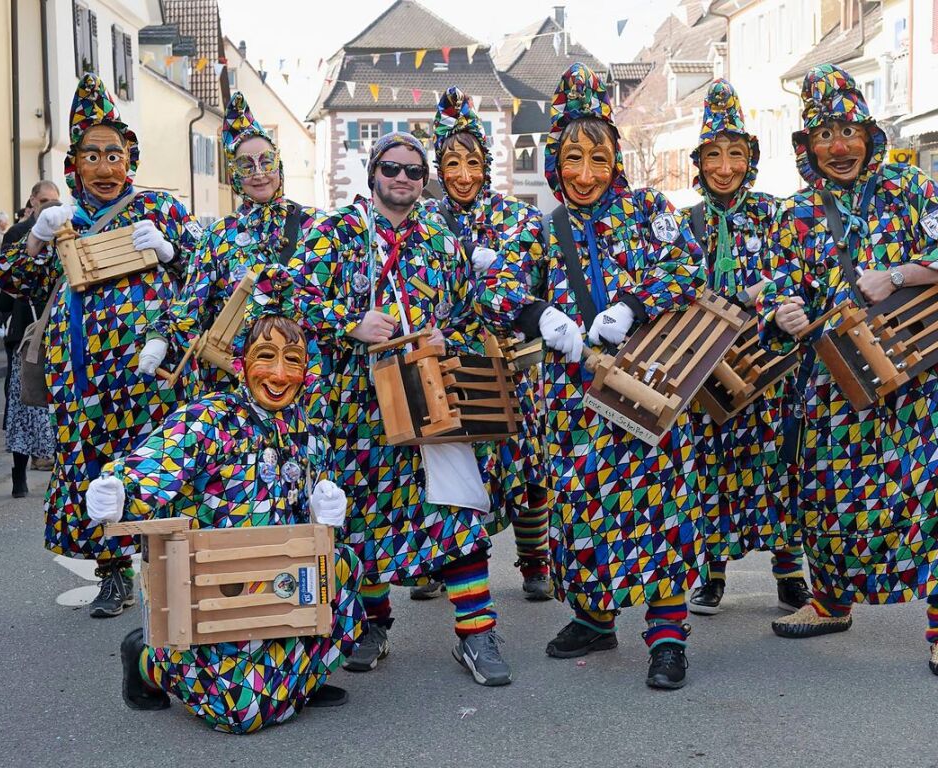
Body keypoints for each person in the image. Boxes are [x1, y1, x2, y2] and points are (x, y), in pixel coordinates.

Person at [478, 63, 706, 689]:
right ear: (555, 161)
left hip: (651, 384)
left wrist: (633, 305)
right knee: (583, 508)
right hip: (573, 398)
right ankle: (595, 616)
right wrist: (539, 313)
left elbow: (687, 267)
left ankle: (666, 638)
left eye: (597, 159)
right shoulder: (537, 228)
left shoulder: (650, 211)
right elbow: (492, 288)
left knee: (661, 511)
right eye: (572, 159)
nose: (584, 174)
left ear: (614, 160)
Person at [84, 266, 366, 733]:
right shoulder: (212, 417)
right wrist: (118, 491)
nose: (279, 374)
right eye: (266, 356)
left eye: (292, 360)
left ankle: (298, 679)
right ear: (239, 362)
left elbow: (321, 494)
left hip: (281, 575)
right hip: (216, 584)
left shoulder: (310, 427)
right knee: (243, 716)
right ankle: (147, 660)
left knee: (344, 566)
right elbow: (157, 461)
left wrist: (326, 508)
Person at [293, 131, 512, 686]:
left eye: (414, 172)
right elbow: (288, 295)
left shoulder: (441, 236)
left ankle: (476, 633)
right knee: (363, 517)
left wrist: (447, 338)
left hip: (431, 398)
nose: (402, 179)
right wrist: (350, 322)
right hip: (355, 404)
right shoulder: (335, 231)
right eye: (392, 168)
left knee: (456, 510)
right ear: (373, 173)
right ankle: (373, 625)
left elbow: (469, 312)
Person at [0, 73, 202, 619]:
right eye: (93, 155)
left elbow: (209, 271)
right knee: (92, 466)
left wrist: (171, 252)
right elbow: (13, 285)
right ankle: (113, 574)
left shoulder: (162, 210)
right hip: (82, 374)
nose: (106, 167)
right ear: (75, 164)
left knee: (159, 462)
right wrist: (37, 237)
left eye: (115, 154)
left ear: (129, 159)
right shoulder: (60, 221)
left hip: (150, 369)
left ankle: (167, 565)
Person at [759, 64, 938, 676]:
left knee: (928, 494)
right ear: (806, 146)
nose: (840, 147)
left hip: (916, 375)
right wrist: (779, 311)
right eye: (824, 135)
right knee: (826, 496)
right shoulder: (791, 216)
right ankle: (831, 601)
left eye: (850, 132)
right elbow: (781, 292)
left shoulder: (911, 189)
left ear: (869, 134)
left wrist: (901, 274)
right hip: (831, 383)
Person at [416, 87, 551, 601]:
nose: (464, 174)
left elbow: (538, 278)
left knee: (525, 465)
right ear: (439, 167)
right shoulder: (425, 222)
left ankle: (534, 561)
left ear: (487, 163)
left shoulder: (518, 217)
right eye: (453, 163)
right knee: (448, 467)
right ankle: (439, 560)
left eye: (473, 161)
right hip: (447, 363)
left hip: (511, 363)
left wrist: (506, 272)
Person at [681, 79, 811, 616]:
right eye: (715, 155)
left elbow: (793, 274)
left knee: (775, 466)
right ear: (701, 161)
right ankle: (711, 576)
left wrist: (759, 297)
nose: (725, 167)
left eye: (736, 154)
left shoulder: (776, 213)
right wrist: (731, 298)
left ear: (751, 158)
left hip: (768, 360)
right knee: (709, 468)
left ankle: (788, 572)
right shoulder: (684, 221)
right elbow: (677, 286)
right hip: (706, 362)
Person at [140, 91, 322, 394]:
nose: (259, 174)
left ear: (279, 163)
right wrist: (158, 339)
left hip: (306, 374)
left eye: (266, 161)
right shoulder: (218, 235)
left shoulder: (315, 226)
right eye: (247, 166)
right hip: (237, 377)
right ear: (234, 175)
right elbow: (192, 304)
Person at [0, 182, 61, 497]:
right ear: (33, 201)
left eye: (55, 201)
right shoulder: (21, 234)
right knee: (23, 405)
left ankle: (53, 468)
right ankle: (19, 474)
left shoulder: (66, 233)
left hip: (59, 331)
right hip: (27, 332)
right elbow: (7, 280)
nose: (50, 206)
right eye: (45, 200)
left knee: (55, 409)